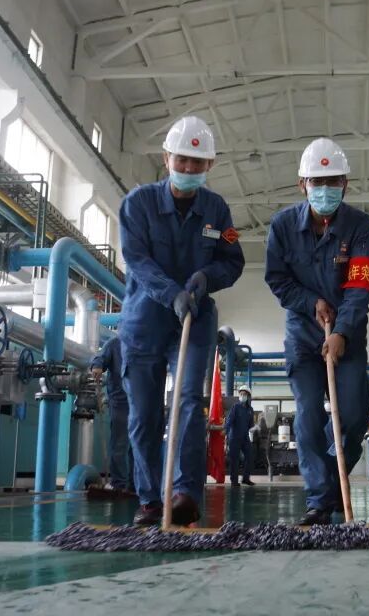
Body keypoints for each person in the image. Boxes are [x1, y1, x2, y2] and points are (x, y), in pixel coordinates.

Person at [118, 116, 245, 527]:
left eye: (198, 162)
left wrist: (207, 277)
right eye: (182, 160)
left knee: (189, 402)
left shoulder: (217, 210)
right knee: (144, 415)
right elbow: (136, 259)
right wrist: (170, 293)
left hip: (196, 318)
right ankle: (150, 500)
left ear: (210, 165)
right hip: (144, 322)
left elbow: (233, 260)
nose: (189, 168)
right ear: (166, 158)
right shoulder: (137, 204)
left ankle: (185, 493)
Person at [264, 138, 369, 525]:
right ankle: (319, 499)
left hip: (348, 335)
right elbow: (277, 279)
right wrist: (311, 302)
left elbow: (360, 286)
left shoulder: (361, 227)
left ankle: (331, 475)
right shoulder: (282, 226)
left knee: (355, 415)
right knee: (309, 413)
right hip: (303, 335)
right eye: (317, 181)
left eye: (333, 181)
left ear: (345, 184)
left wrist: (341, 331)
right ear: (302, 184)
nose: (325, 189)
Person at [90, 334, 134, 492]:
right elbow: (99, 358)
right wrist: (97, 366)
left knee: (137, 445)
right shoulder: (115, 343)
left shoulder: (142, 341)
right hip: (120, 402)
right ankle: (119, 483)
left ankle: (135, 484)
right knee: (120, 443)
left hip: (138, 401)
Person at [225, 388, 256, 486]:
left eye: (244, 394)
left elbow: (251, 425)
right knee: (234, 459)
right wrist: (225, 430)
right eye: (241, 394)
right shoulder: (235, 407)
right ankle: (234, 481)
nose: (242, 396)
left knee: (250, 456)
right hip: (234, 437)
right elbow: (230, 420)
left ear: (248, 396)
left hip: (245, 437)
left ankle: (245, 478)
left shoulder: (250, 410)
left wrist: (255, 428)